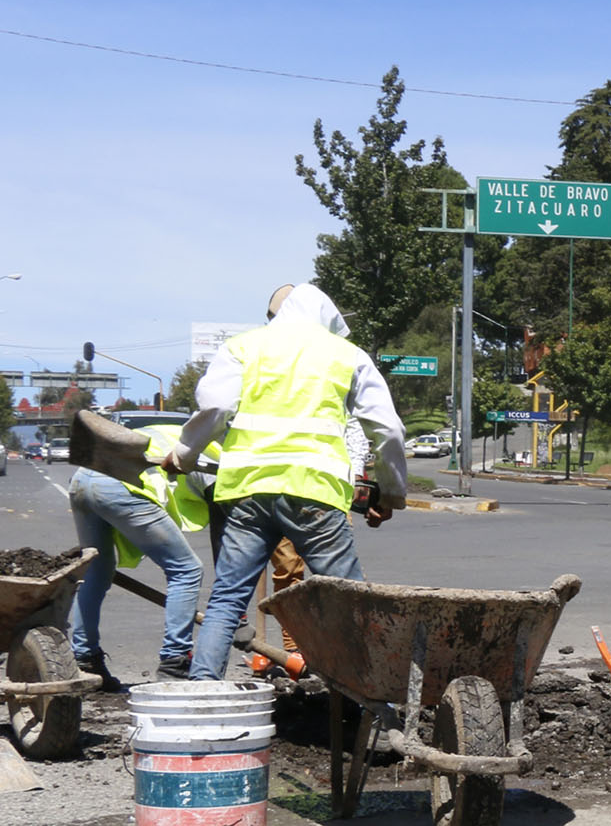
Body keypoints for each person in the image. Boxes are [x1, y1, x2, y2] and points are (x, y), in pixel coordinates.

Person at [167, 283, 408, 680]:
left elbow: (216, 407)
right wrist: (391, 492)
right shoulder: (347, 355)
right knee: (351, 602)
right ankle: (370, 697)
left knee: (227, 599)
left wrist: (183, 454)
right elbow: (389, 429)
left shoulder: (243, 347)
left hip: (247, 492)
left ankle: (201, 690)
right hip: (314, 493)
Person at [67, 424, 217, 687]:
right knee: (187, 569)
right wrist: (237, 614)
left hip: (84, 477)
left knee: (97, 570)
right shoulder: (217, 459)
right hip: (122, 484)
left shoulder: (192, 432)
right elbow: (222, 530)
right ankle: (175, 659)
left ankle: (85, 658)